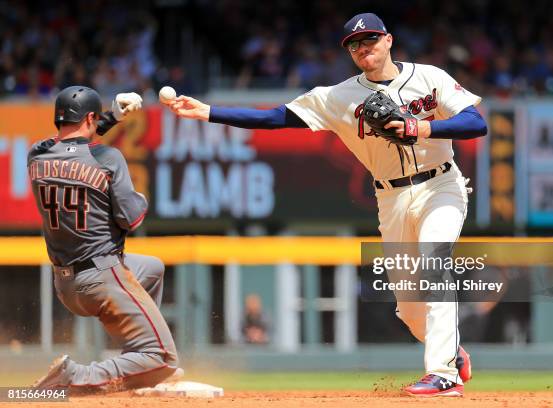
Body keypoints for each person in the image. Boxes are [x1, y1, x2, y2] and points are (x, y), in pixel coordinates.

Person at [164, 13, 487, 397]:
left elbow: (475, 122)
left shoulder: (428, 77)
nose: (362, 47)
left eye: (369, 39)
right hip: (392, 196)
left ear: (388, 40)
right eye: (354, 44)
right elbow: (273, 119)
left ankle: (443, 373)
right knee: (409, 307)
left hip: (442, 186)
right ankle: (451, 351)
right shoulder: (336, 97)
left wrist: (421, 127)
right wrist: (208, 112)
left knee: (434, 264)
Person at [29, 86, 180, 393]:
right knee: (163, 358)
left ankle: (133, 358)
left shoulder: (36, 155)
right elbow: (132, 218)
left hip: (66, 284)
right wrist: (140, 197)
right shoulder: (108, 158)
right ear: (89, 117)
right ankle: (77, 374)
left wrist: (110, 117)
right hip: (103, 277)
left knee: (151, 269)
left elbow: (69, 142)